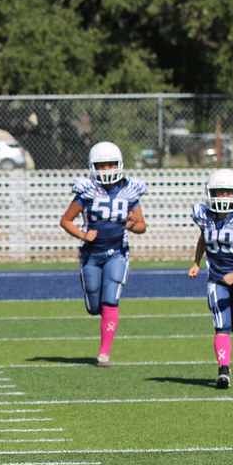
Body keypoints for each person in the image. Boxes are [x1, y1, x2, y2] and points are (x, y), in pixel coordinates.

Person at [59, 141, 147, 367]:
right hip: (91, 253)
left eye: (110, 165)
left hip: (117, 252)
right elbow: (66, 220)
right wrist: (83, 234)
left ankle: (104, 353)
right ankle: (100, 317)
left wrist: (131, 225)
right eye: (102, 165)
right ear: (93, 167)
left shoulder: (129, 190)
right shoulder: (87, 190)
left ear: (119, 165)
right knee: (93, 306)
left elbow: (141, 226)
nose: (107, 170)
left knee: (111, 300)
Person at [188, 168, 233, 389]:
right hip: (216, 279)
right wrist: (196, 263)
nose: (224, 196)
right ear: (211, 192)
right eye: (220, 191)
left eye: (228, 192)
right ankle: (224, 369)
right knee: (222, 326)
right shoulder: (205, 218)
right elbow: (203, 240)